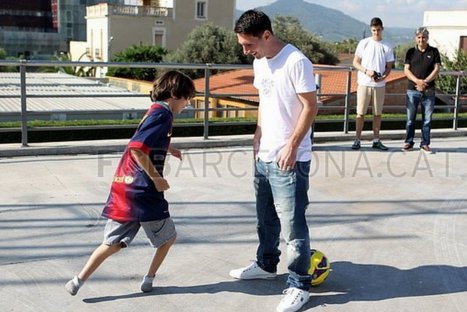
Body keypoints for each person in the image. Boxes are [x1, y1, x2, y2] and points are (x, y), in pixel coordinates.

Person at [65, 70, 195, 296]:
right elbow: (137, 148)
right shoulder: (163, 116)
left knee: (112, 243)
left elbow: (143, 140)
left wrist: (168, 148)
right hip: (144, 191)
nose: (187, 104)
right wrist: (157, 179)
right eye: (187, 99)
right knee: (169, 238)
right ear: (175, 94)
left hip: (124, 187)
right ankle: (149, 279)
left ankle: (77, 280)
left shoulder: (154, 112)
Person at [231, 10, 319, 312]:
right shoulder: (259, 62)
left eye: (249, 44)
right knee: (265, 219)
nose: (246, 51)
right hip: (265, 154)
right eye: (243, 45)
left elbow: (311, 106)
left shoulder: (296, 62)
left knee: (293, 227)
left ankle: (299, 285)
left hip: (289, 157)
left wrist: (292, 146)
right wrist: (257, 134)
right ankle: (267, 264)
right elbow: (265, 101)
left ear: (266, 35)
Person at [352, 17, 394, 150]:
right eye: (374, 30)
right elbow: (355, 62)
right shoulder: (363, 43)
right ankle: (357, 140)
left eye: (378, 30)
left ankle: (376, 140)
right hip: (364, 83)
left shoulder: (387, 46)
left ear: (382, 29)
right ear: (371, 29)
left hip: (379, 85)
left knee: (377, 114)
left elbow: (389, 67)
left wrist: (382, 77)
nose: (376, 32)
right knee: (360, 113)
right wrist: (367, 71)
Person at [402, 27, 441, 153]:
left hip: (428, 90)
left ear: (427, 38)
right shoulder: (410, 52)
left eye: (423, 37)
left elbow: (436, 69)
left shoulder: (434, 51)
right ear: (416, 38)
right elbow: (406, 70)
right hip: (412, 90)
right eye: (419, 37)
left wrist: (425, 82)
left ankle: (425, 144)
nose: (421, 40)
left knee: (427, 120)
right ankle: (409, 142)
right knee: (410, 119)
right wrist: (417, 81)